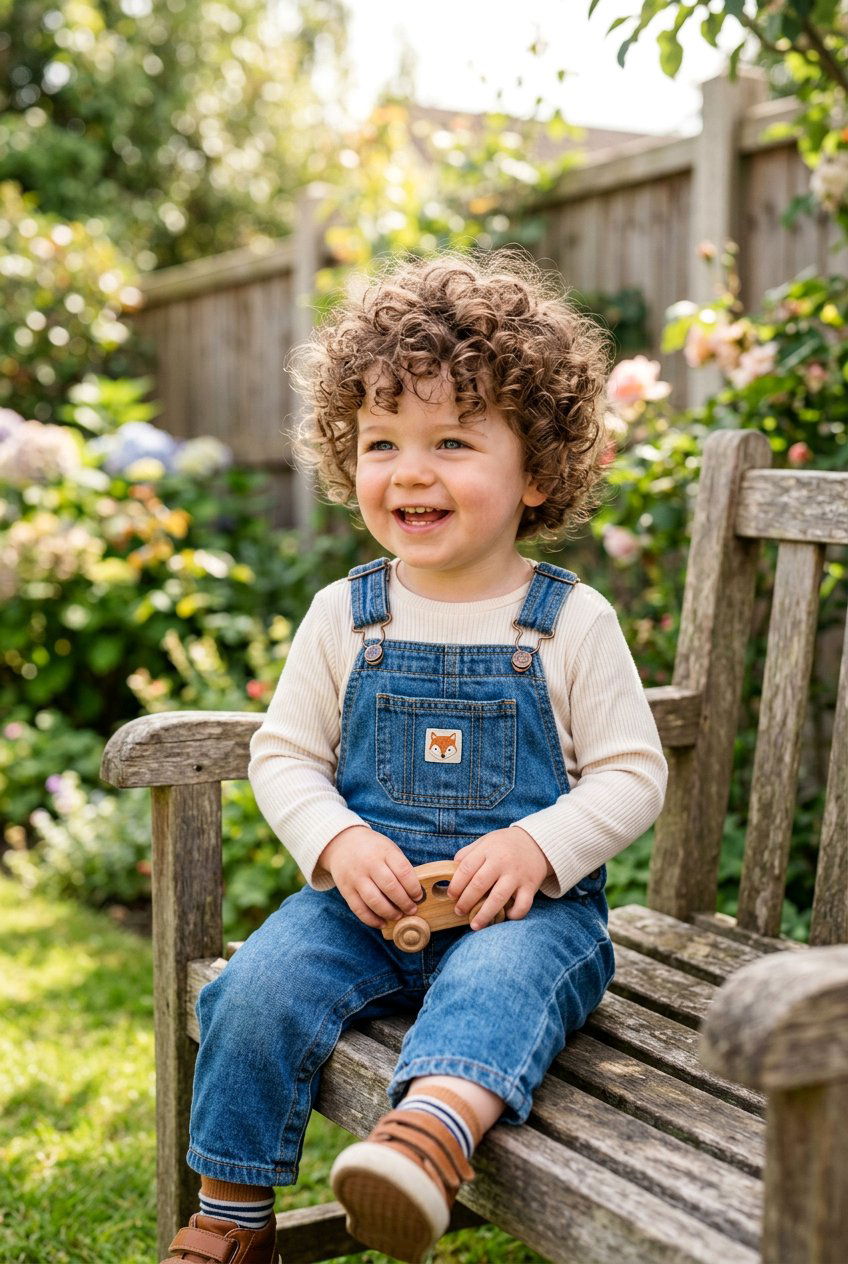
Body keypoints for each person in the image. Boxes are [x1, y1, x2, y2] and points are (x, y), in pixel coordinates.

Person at [163, 250, 667, 1264]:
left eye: (450, 439)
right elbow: (284, 755)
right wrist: (336, 843)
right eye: (381, 442)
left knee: (497, 984)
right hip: (364, 903)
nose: (409, 470)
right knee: (255, 986)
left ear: (536, 471)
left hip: (526, 913)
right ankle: (229, 1212)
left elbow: (630, 772)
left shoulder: (567, 620)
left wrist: (537, 845)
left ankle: (423, 1140)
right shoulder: (345, 616)